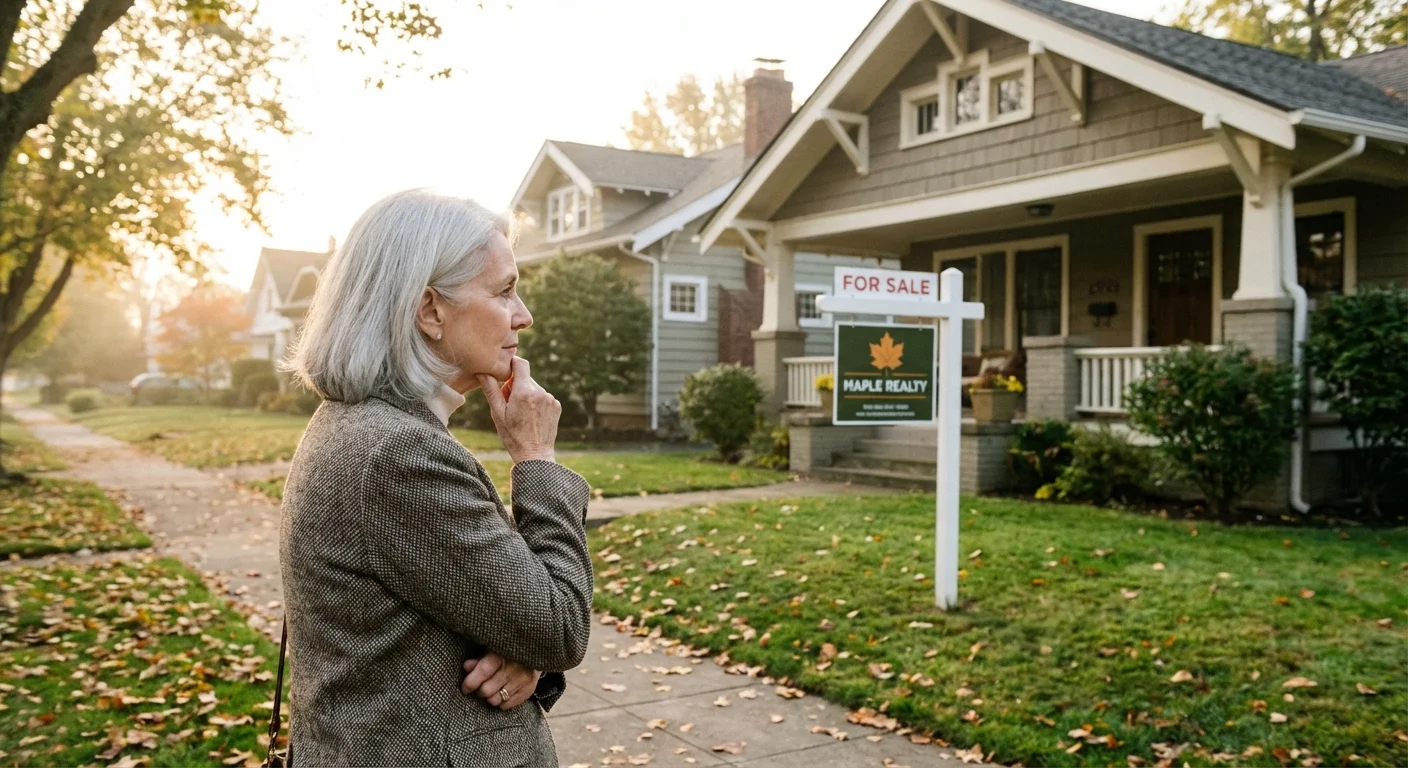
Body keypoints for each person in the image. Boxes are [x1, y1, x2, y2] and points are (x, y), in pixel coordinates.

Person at [278, 189, 592, 767]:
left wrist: (524, 652)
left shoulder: (361, 425)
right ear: (429, 310)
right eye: (504, 291)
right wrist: (537, 460)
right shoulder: (397, 454)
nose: (524, 315)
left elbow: (473, 607)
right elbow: (560, 625)